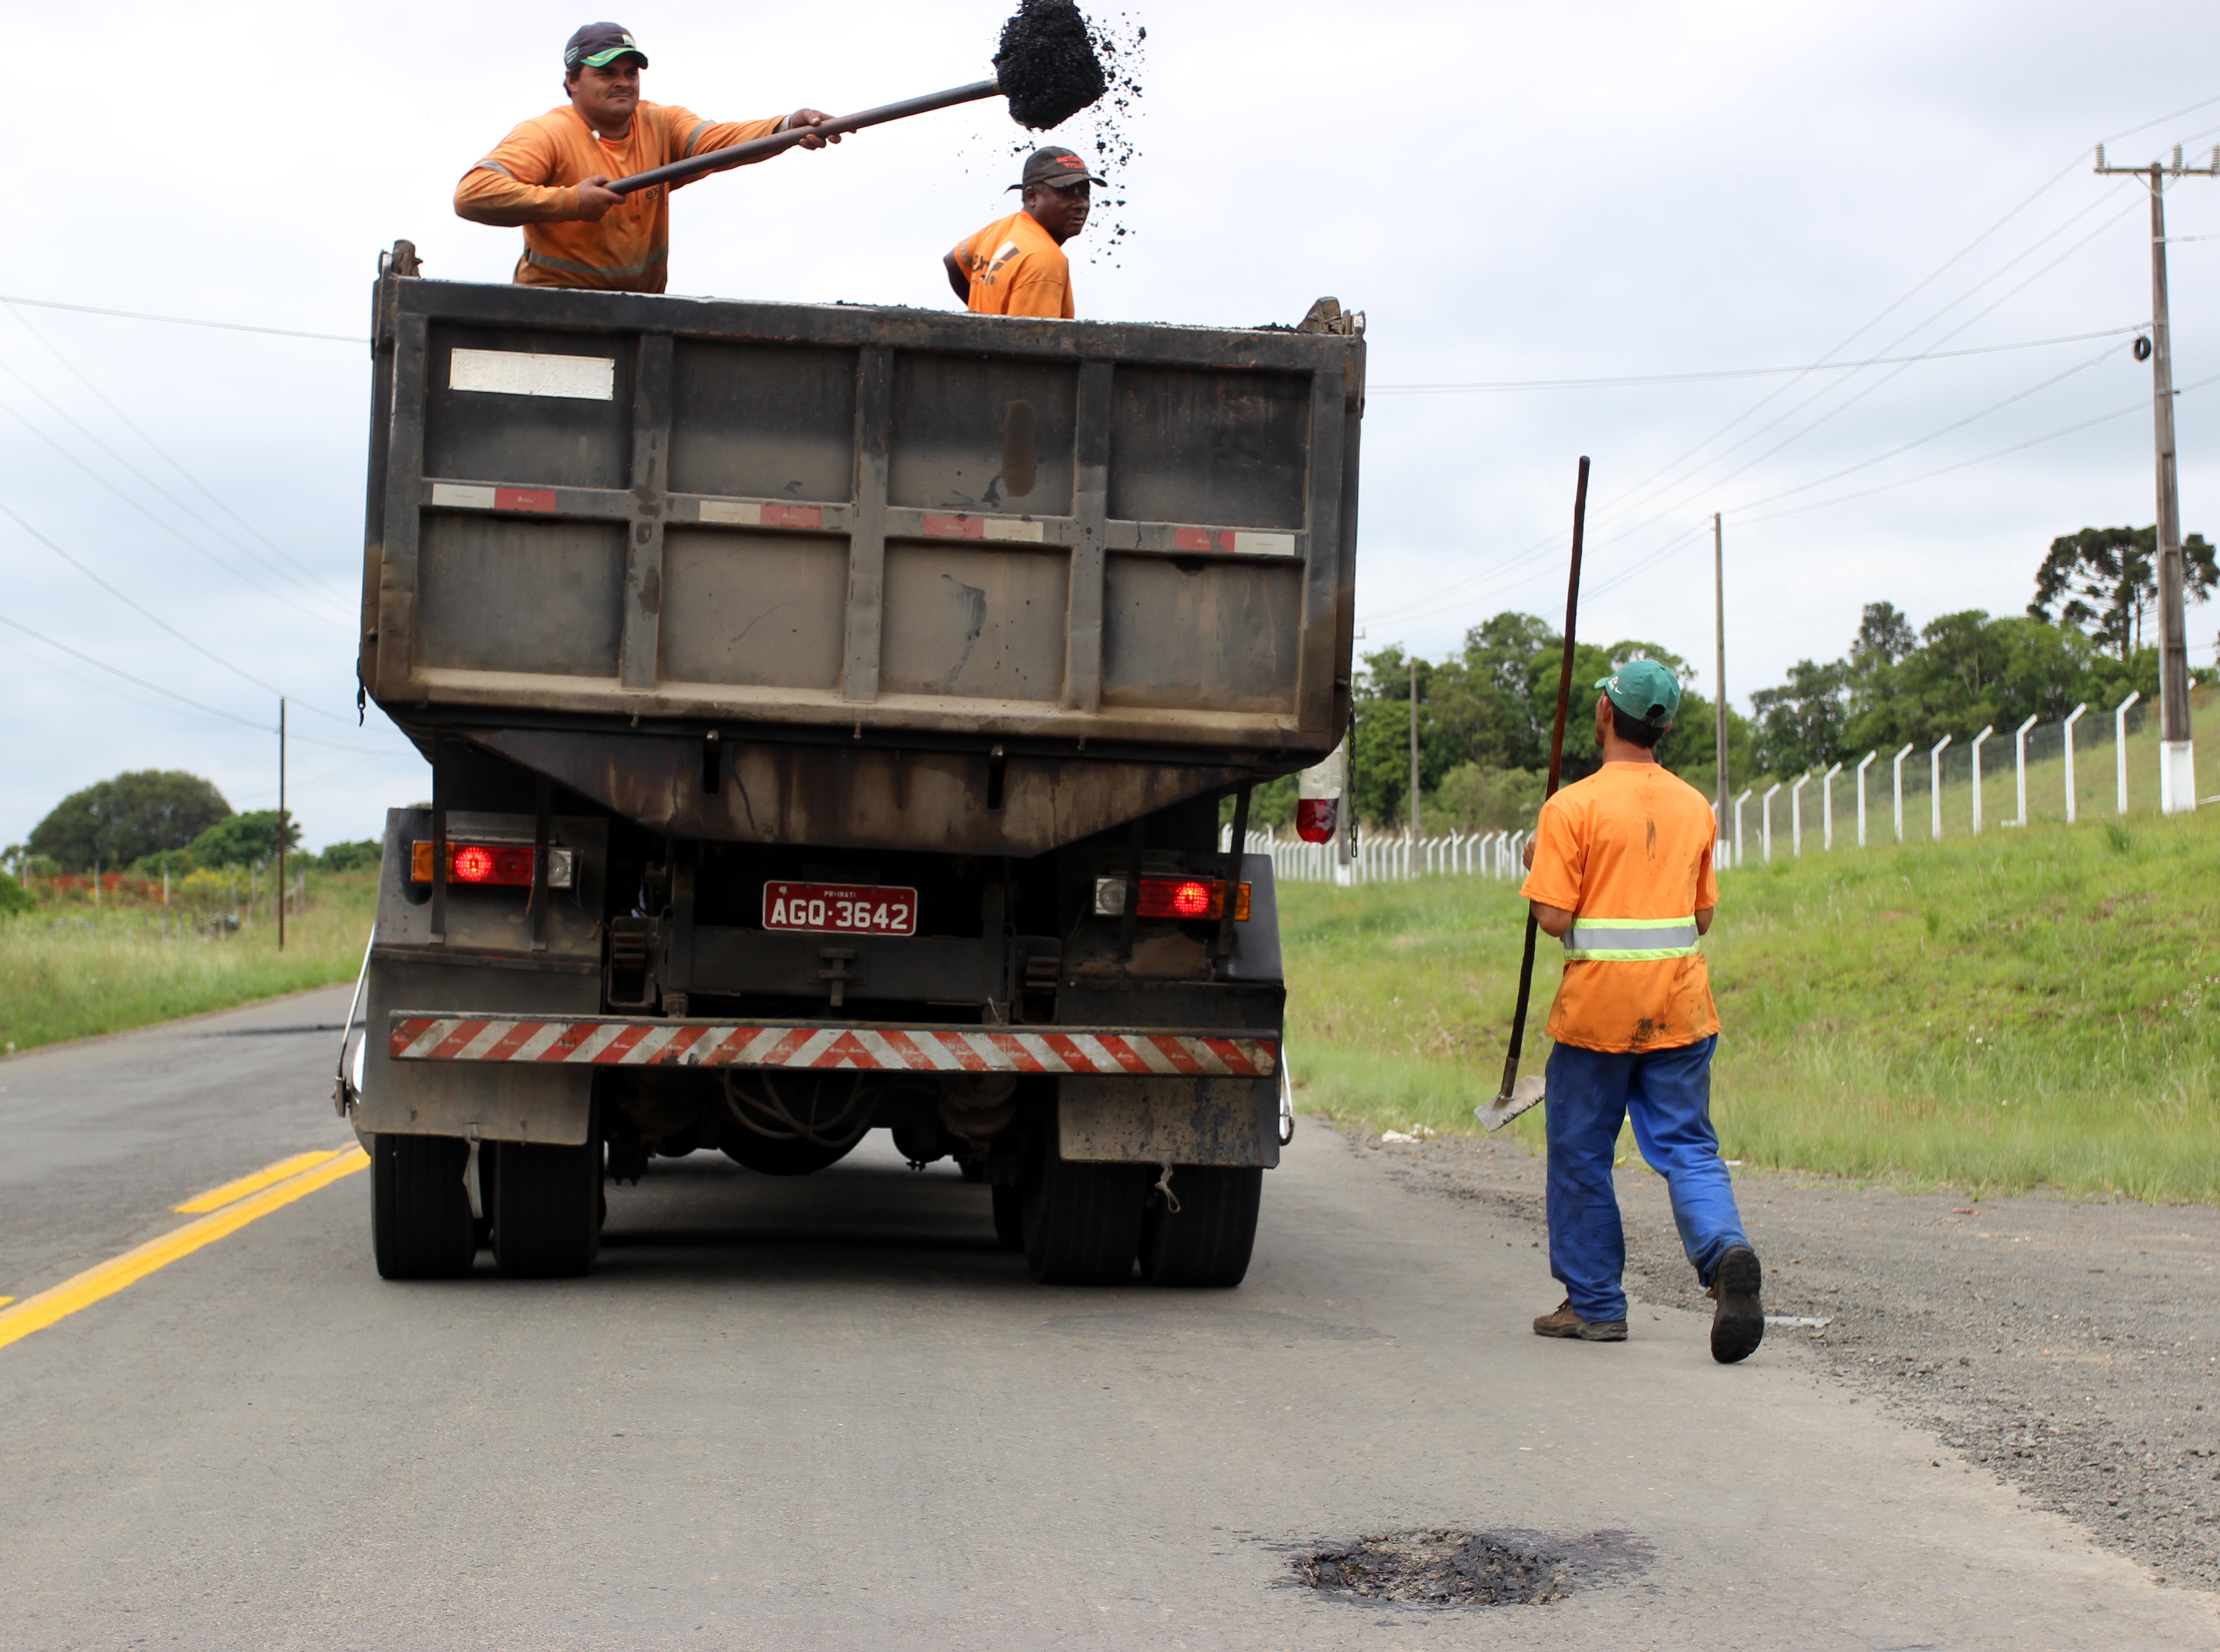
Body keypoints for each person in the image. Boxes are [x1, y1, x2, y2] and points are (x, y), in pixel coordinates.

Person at [1517, 660, 1765, 1364]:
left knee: (1581, 1155)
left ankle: (1594, 1305)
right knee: (1688, 1147)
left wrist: (1538, 861)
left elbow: (1554, 914)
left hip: (1597, 1016)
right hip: (1680, 1009)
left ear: (1604, 714)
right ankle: (1724, 1254)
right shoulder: (1695, 806)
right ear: (1664, 725)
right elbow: (1703, 915)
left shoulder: (1570, 808)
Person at [454, 23, 838, 293]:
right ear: (572, 81)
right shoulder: (547, 134)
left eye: (631, 72)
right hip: (553, 311)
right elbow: (473, 195)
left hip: (640, 315)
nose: (623, 81)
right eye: (606, 73)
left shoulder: (661, 123)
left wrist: (789, 127)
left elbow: (724, 142)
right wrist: (571, 201)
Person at [943, 147, 1106, 317]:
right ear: (1032, 196)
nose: (1081, 204)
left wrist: (984, 316)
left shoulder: (998, 231)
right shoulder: (1044, 259)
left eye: (1084, 194)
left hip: (989, 343)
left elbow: (953, 261)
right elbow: (1035, 341)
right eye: (1066, 193)